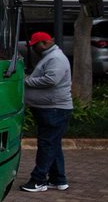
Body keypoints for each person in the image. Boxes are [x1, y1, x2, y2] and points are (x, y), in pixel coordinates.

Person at [20, 31, 73, 192]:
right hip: (52, 108)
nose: (34, 49)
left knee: (47, 145)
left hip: (54, 109)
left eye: (35, 45)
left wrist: (27, 80)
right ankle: (58, 179)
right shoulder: (52, 57)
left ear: (44, 43)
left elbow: (51, 80)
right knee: (53, 144)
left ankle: (38, 180)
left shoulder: (55, 58)